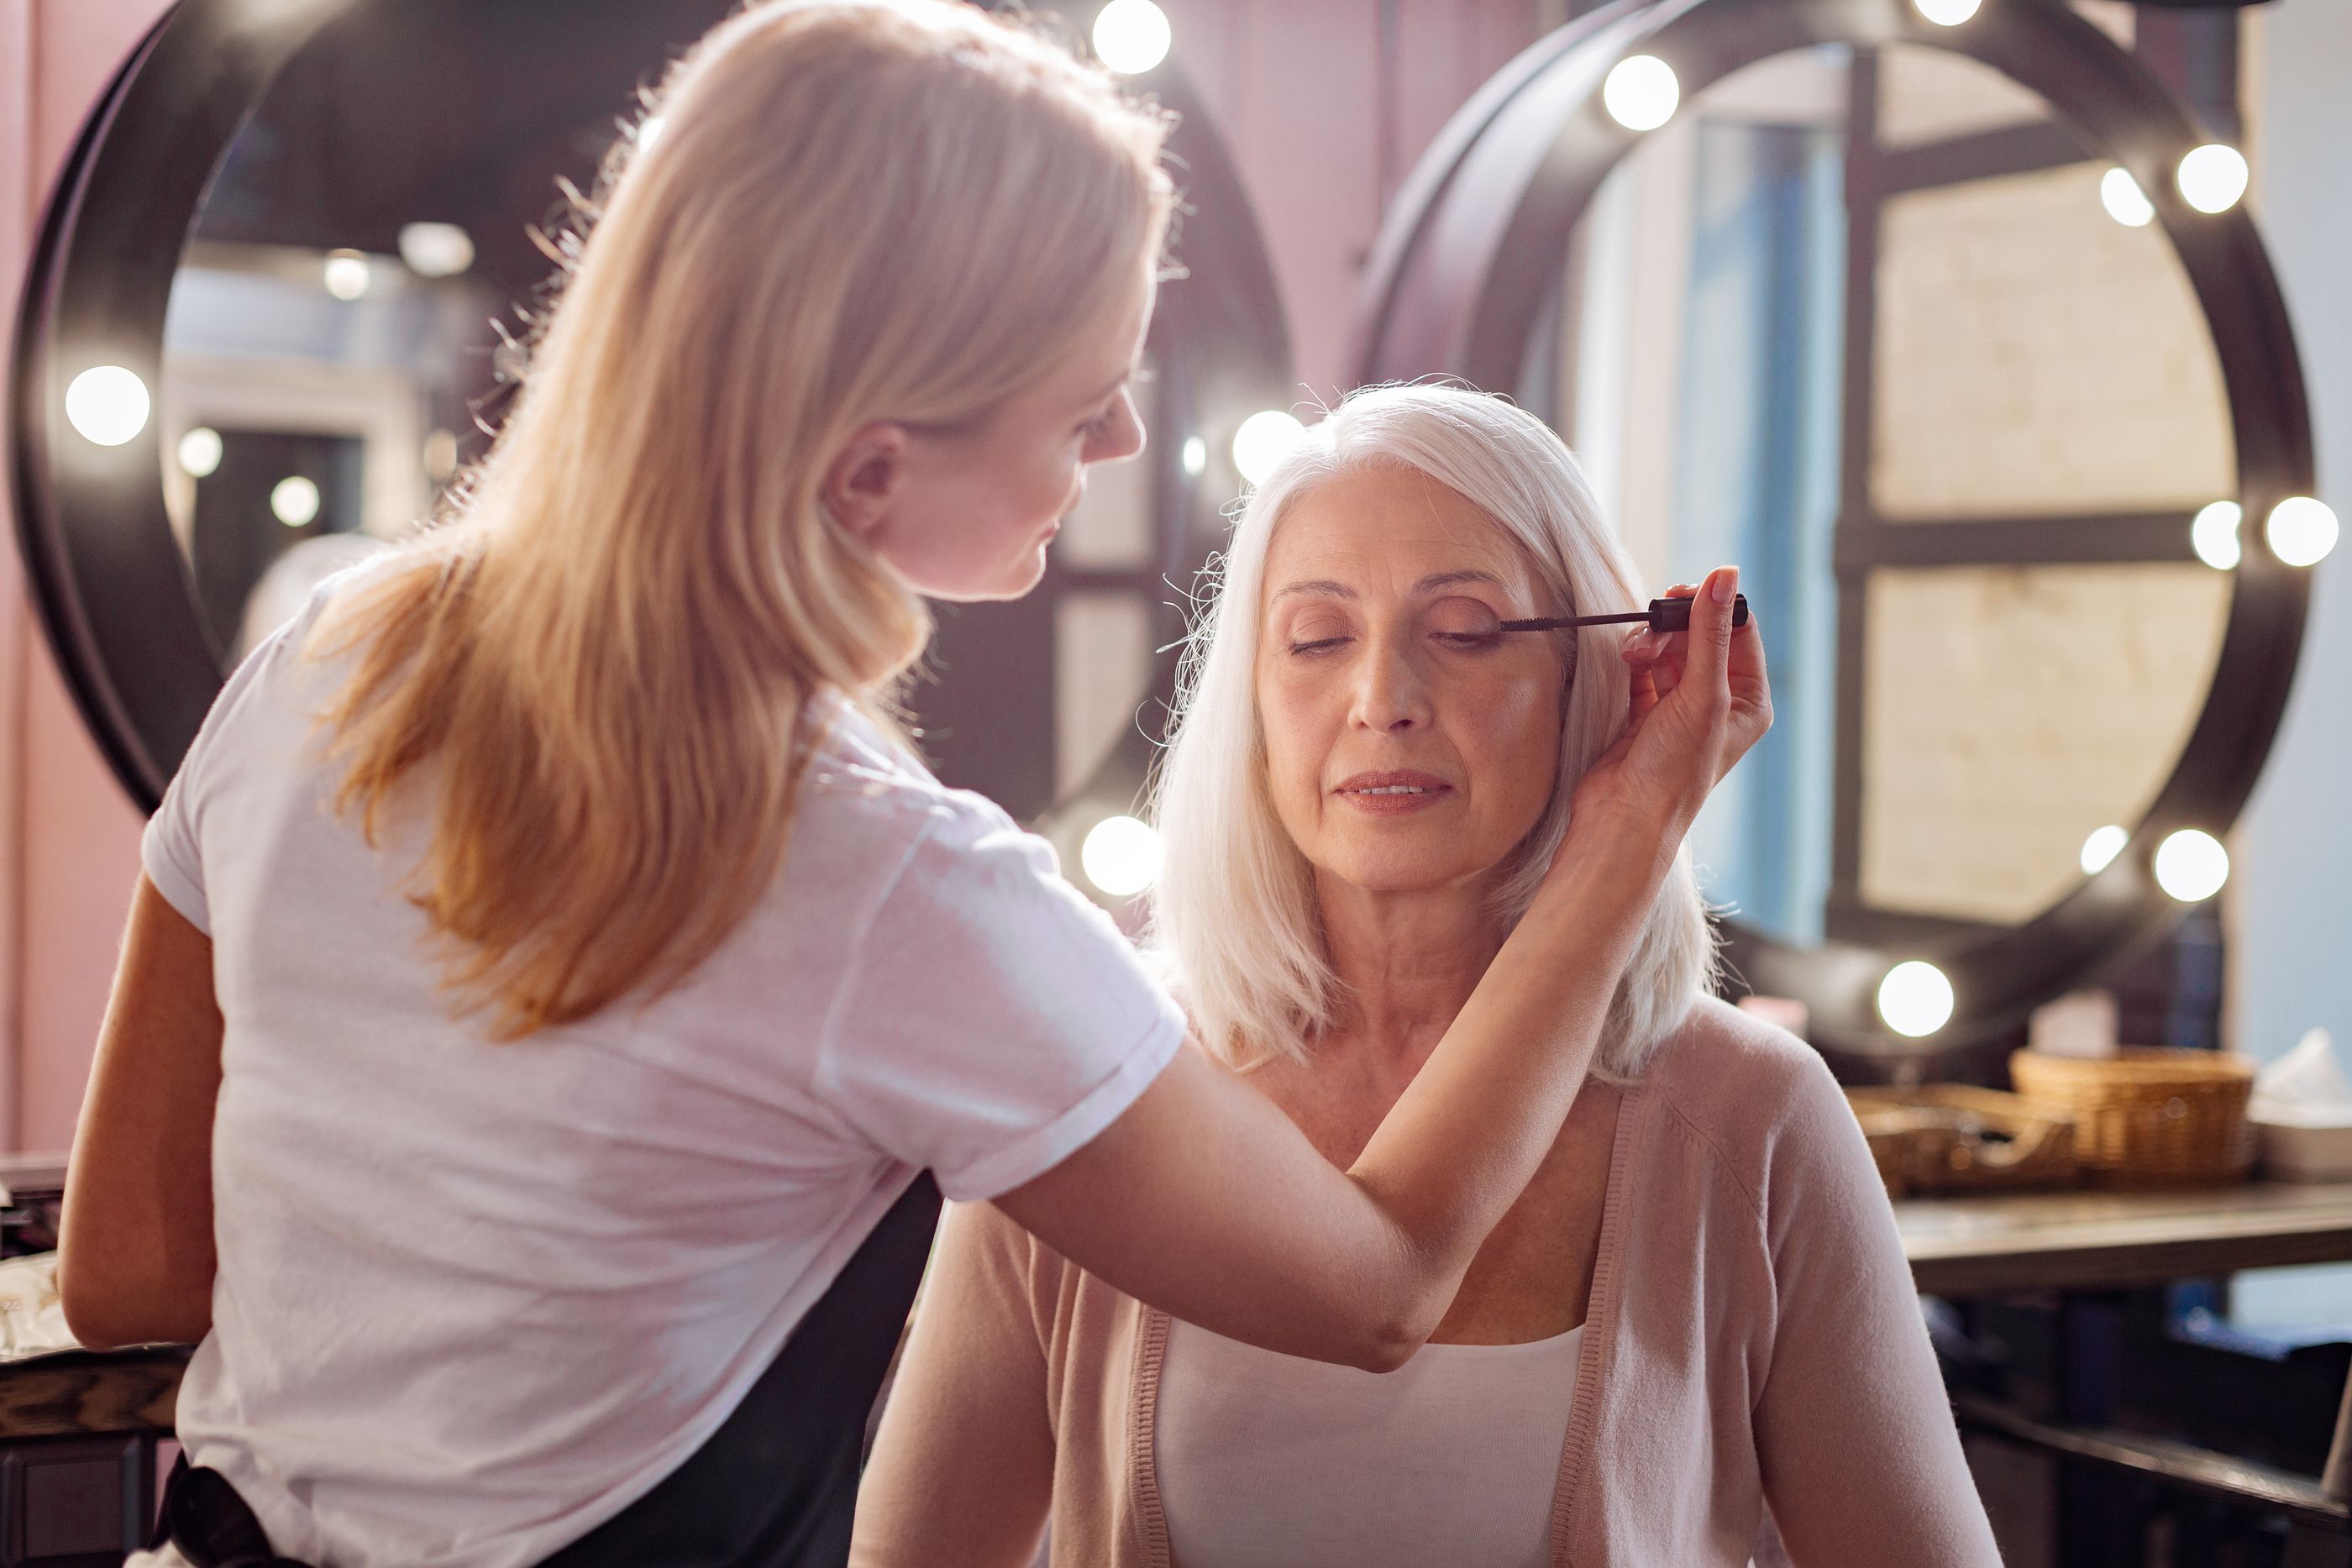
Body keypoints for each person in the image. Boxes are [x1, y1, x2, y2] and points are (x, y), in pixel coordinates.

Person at [59, 6, 1766, 1565]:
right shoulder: (895, 888)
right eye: (1081, 398)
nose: (1111, 448)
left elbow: (126, 1267)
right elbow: (1383, 1288)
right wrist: (1630, 830)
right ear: (871, 465)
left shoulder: (324, 660)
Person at [853, 386, 1998, 1568]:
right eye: (1315, 639)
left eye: (1465, 633)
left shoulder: (1750, 1120)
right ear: (1250, 694)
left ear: (1591, 680)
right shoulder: (1096, 1090)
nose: (1384, 701)